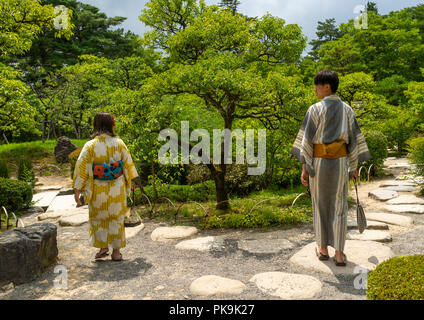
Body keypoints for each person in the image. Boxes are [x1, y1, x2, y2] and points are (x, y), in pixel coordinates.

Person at [291, 69, 371, 266]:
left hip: (318, 165)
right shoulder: (348, 110)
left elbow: (307, 142)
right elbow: (353, 143)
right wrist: (353, 168)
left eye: (317, 86)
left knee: (320, 205)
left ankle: (323, 249)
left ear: (327, 86)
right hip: (341, 163)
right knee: (340, 206)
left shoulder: (315, 109)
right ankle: (340, 253)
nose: (315, 89)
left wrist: (304, 167)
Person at [72, 112, 139, 261]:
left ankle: (103, 248)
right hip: (117, 188)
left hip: (97, 189)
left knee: (98, 218)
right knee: (116, 218)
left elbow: (81, 167)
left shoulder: (90, 146)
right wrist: (131, 183)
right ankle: (116, 252)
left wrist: (77, 190)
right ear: (110, 125)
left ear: (96, 125)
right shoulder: (119, 143)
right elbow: (128, 165)